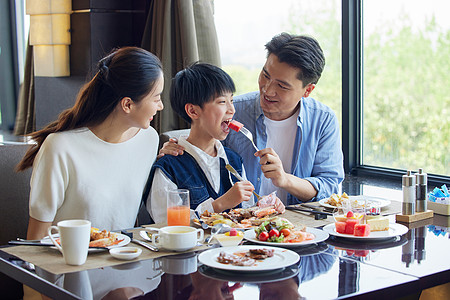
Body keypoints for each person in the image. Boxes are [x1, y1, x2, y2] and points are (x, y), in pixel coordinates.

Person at [161, 33, 344, 205]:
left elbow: (330, 187)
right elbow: (204, 150)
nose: (268, 90)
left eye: (282, 85)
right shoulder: (234, 110)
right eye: (265, 75)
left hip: (299, 226)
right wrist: (178, 148)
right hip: (240, 225)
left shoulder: (323, 120)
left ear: (307, 90)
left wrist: (285, 180)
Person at [16, 47, 164, 239]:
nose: (160, 106)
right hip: (69, 262)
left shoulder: (148, 140)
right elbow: (37, 236)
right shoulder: (60, 148)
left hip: (123, 261)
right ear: (127, 104)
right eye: (157, 98)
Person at [144, 62, 284, 224]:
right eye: (222, 102)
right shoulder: (169, 166)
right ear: (193, 111)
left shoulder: (234, 160)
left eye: (231, 100)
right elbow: (165, 224)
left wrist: (263, 207)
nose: (232, 110)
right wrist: (219, 204)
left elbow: (245, 213)